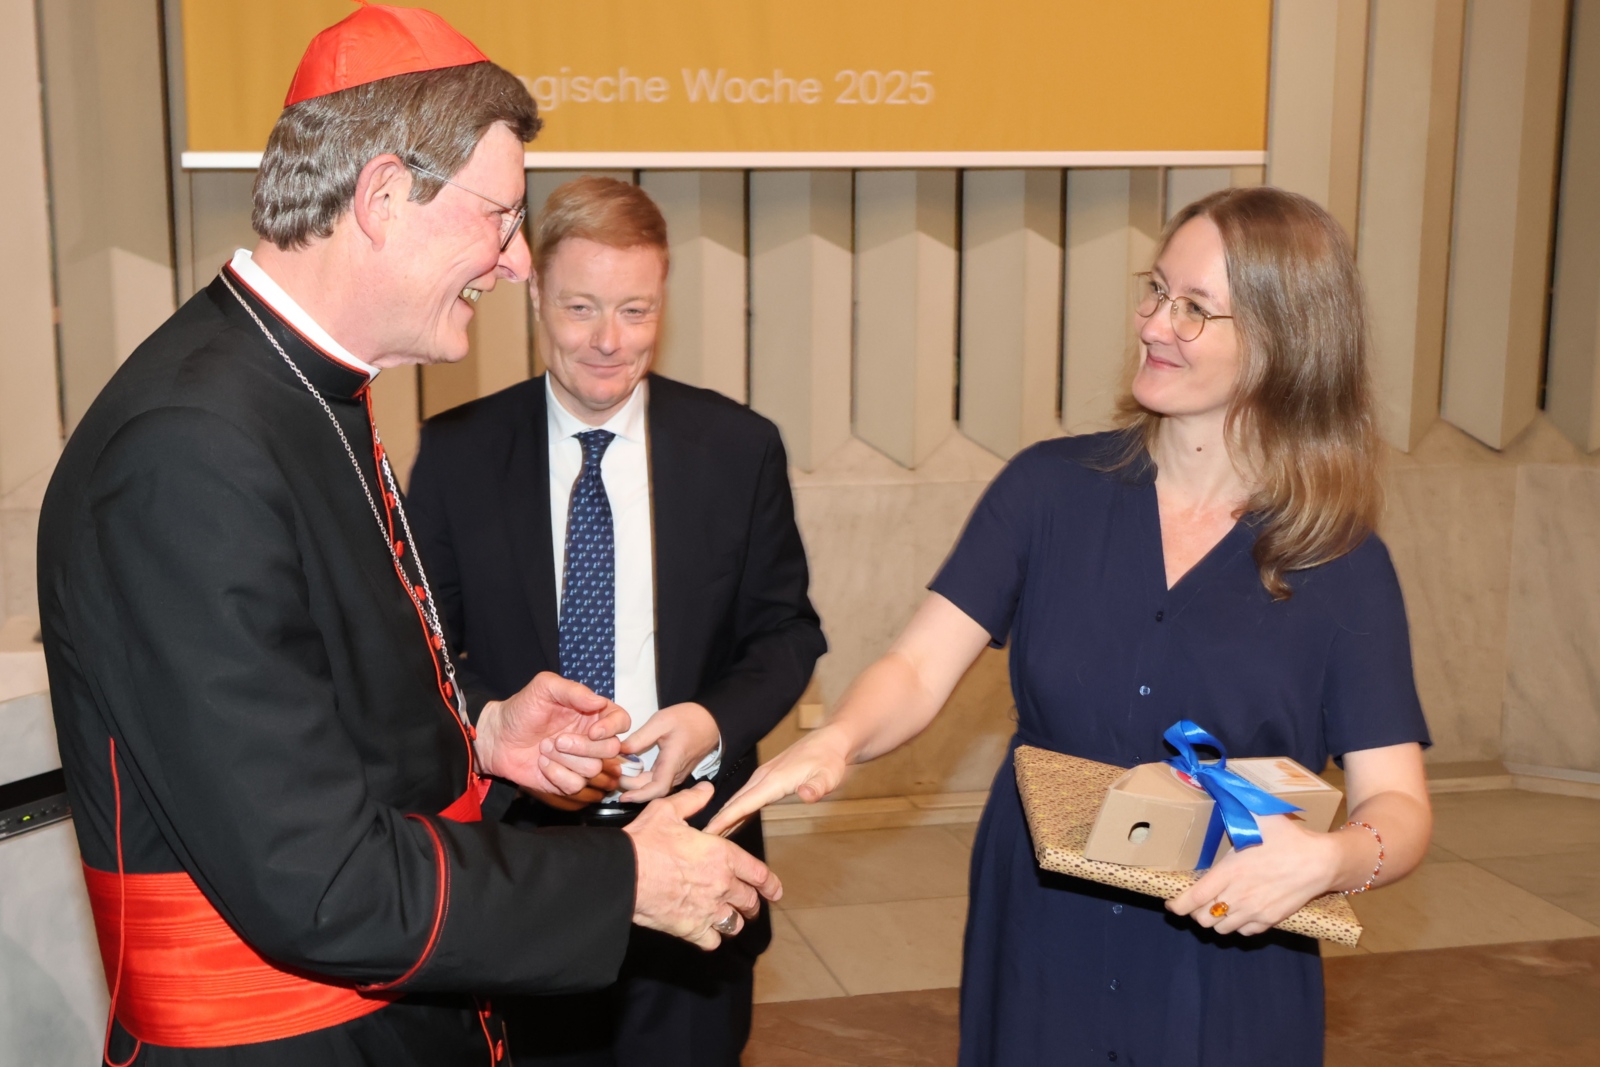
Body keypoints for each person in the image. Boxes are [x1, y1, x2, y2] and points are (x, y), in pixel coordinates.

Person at [38, 7, 778, 1066]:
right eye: (500, 217)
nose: (517, 261)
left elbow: (297, 711)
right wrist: (626, 879)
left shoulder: (295, 391)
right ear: (385, 196)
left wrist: (480, 736)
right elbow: (316, 879)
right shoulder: (186, 451)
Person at [709, 186, 1435, 1065]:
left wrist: (1328, 860)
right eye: (1156, 289)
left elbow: (1398, 807)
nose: (1156, 323)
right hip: (1044, 925)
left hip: (1226, 952)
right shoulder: (1047, 489)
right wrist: (841, 741)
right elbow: (917, 666)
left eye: (1196, 309)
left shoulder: (1342, 560)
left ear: (1284, 344)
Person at [406, 175, 826, 1067]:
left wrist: (710, 724)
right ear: (535, 296)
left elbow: (787, 632)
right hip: (524, 866)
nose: (608, 340)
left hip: (695, 843)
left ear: (664, 299)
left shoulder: (737, 448)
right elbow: (423, 651)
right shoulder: (457, 453)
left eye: (635, 310)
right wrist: (512, 737)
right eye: (581, 307)